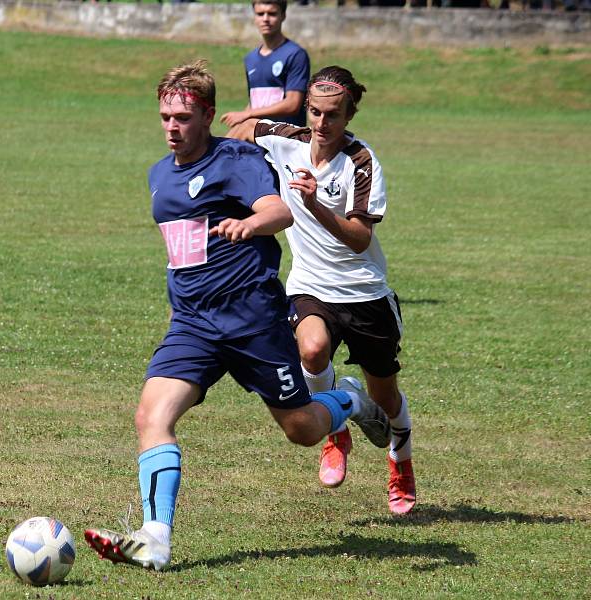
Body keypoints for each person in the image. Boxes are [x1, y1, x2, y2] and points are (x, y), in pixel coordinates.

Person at [84, 60, 390, 572]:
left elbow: (280, 210)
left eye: (182, 117)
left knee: (301, 430)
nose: (171, 128)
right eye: (164, 117)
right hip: (193, 325)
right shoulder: (159, 175)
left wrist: (251, 225)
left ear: (207, 115)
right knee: (150, 417)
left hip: (253, 322)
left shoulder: (238, 159)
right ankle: (156, 538)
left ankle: (350, 399)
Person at [239, 66, 416, 515]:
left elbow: (359, 238)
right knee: (312, 352)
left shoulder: (361, 162)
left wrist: (314, 203)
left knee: (385, 397)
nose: (321, 124)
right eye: (315, 113)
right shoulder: (286, 139)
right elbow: (243, 130)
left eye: (332, 115)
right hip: (310, 286)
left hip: (363, 293)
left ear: (349, 113)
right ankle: (336, 432)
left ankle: (401, 462)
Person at [221, 0, 310, 139]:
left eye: (272, 14)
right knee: (226, 144)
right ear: (254, 17)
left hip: (285, 138)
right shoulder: (250, 59)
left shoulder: (295, 54)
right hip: (257, 134)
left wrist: (248, 115)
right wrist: (241, 118)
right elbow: (255, 102)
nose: (266, 19)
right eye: (260, 14)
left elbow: (293, 104)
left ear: (283, 15)